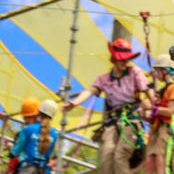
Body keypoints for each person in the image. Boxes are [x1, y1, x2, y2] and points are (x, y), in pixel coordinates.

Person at [64, 38, 156, 174]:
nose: (125, 62)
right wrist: (75, 102)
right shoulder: (104, 79)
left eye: (126, 59)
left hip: (131, 119)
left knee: (121, 154)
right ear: (114, 59)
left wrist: (156, 103)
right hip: (112, 121)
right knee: (106, 154)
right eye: (122, 59)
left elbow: (147, 90)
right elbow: (90, 91)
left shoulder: (135, 73)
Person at [145, 54, 174, 174]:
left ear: (164, 71)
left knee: (159, 157)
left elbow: (171, 111)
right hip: (156, 128)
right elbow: (156, 113)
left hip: (165, 128)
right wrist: (145, 114)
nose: (156, 74)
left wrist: (153, 108)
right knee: (150, 159)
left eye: (158, 71)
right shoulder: (163, 90)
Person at [9, 100, 58, 174]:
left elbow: (14, 152)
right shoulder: (55, 135)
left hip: (26, 169)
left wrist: (11, 148)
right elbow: (54, 156)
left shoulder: (27, 130)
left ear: (38, 113)